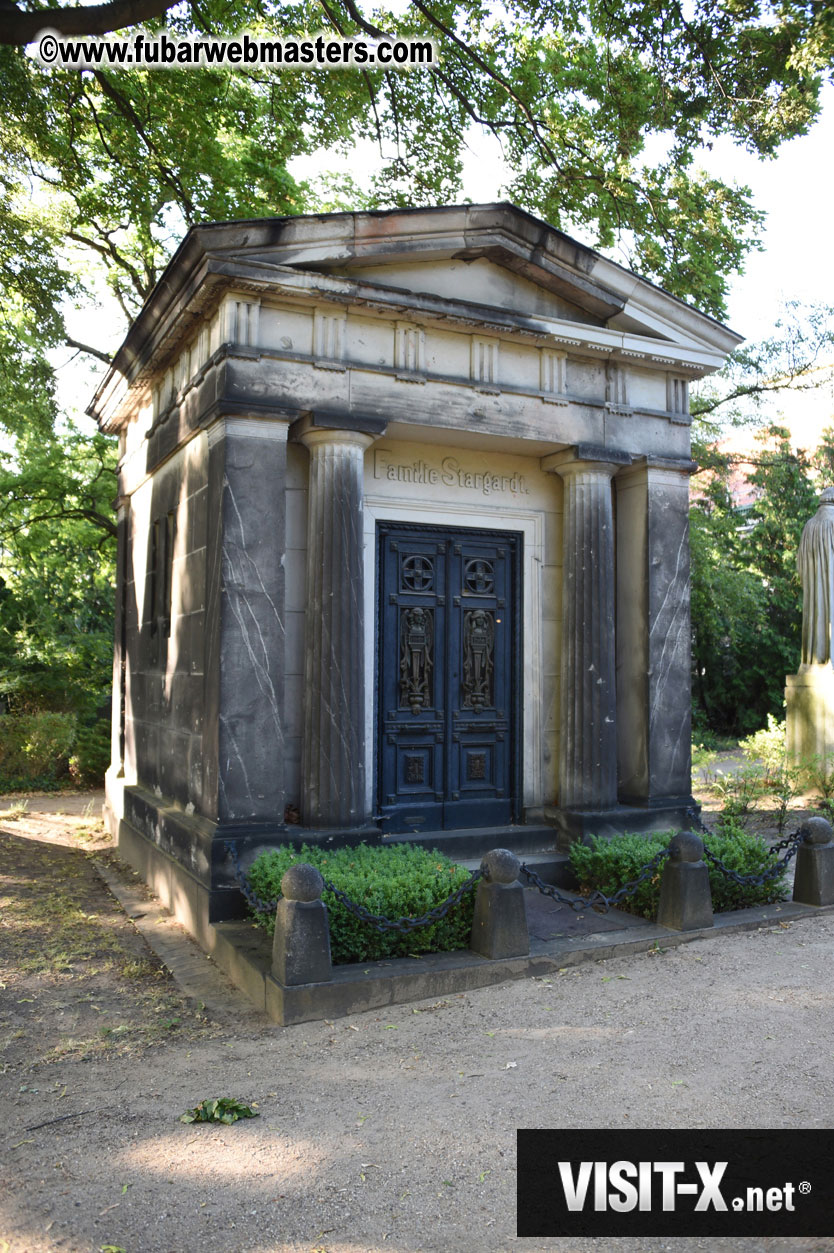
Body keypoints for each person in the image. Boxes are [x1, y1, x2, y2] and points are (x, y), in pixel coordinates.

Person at [797, 487, 834, 665]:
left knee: (815, 617)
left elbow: (801, 567)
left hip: (813, 592)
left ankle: (813, 660)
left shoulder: (809, 526)